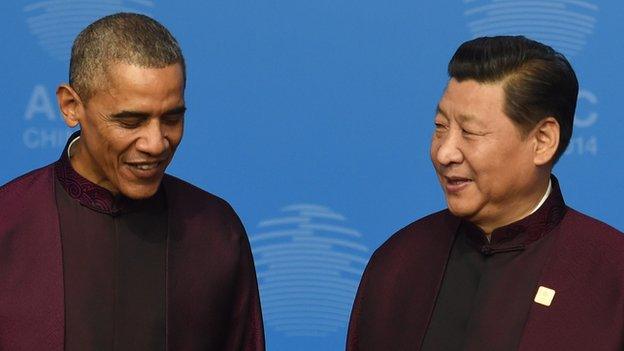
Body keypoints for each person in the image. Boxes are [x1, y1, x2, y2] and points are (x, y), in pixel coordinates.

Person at [0, 13, 264, 350]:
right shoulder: (7, 223)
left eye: (171, 118)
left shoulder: (215, 232)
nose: (155, 143)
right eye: (130, 121)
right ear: (70, 106)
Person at [347, 36, 624, 351]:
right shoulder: (399, 262)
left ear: (543, 140)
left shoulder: (612, 274)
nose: (444, 153)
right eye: (440, 127)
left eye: (469, 132)